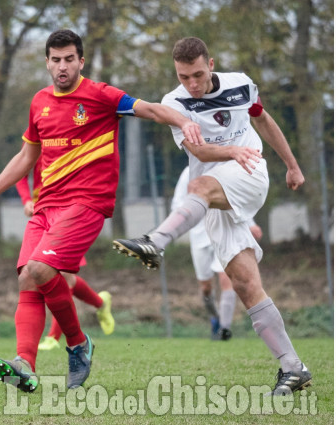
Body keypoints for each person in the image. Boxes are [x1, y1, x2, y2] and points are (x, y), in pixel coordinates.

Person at [0, 29, 204, 392]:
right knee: (27, 278)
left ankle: (77, 343)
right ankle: (25, 365)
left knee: (40, 269)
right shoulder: (39, 102)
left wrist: (183, 121)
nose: (62, 67)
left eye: (69, 59)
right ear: (47, 62)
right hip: (47, 206)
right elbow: (26, 156)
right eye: (56, 60)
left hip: (87, 204)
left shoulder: (102, 96)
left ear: (81, 61)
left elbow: (150, 109)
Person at [113, 37, 311, 396]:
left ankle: (155, 242)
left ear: (212, 64)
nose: (192, 83)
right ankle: (293, 367)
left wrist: (292, 165)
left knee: (199, 186)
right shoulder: (176, 102)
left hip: (249, 171)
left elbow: (262, 120)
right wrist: (229, 149)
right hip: (215, 192)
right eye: (184, 76)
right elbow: (198, 149)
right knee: (244, 284)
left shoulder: (240, 83)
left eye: (198, 75)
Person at [15, 159, 115, 351]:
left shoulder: (77, 143)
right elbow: (21, 167)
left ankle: (54, 337)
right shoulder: (42, 138)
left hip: (72, 213)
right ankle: (101, 303)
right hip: (44, 211)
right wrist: (26, 200)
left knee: (64, 277)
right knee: (37, 274)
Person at [172, 166, 262, 341]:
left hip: (222, 233)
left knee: (226, 279)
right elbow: (177, 204)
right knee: (206, 288)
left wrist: (251, 223)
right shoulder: (189, 173)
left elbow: (236, 201)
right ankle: (215, 319)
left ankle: (224, 329)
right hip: (199, 236)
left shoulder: (226, 169)